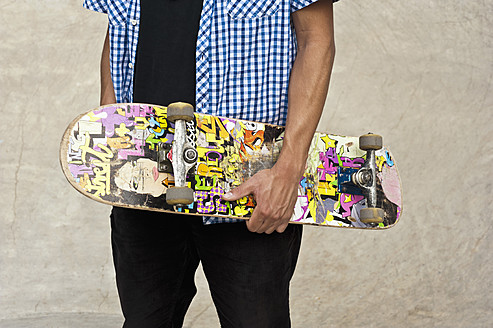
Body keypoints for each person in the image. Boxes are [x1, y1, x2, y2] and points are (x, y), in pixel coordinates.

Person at [83, 0, 337, 326]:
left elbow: (316, 39)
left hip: (248, 187)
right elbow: (119, 28)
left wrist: (287, 170)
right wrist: (112, 116)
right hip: (144, 181)